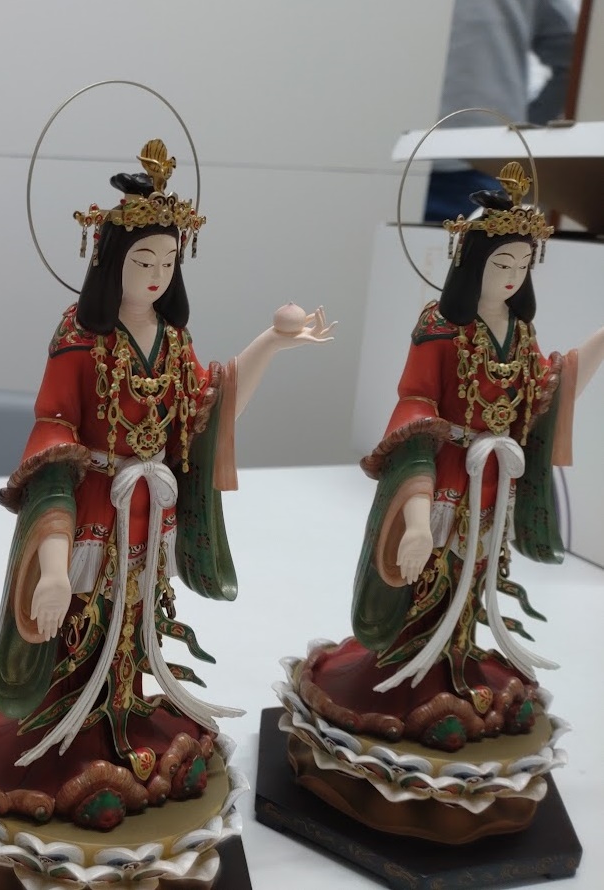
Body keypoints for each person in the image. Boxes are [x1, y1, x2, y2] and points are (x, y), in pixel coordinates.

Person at [0, 140, 333, 830]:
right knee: (78, 620)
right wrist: (53, 561)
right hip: (95, 510)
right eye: (141, 260)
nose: (155, 275)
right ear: (109, 260)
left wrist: (270, 345)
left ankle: (120, 709)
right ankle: (68, 721)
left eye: (167, 262)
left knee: (136, 618)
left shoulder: (174, 342)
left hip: (152, 512)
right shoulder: (80, 338)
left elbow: (209, 413)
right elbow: (52, 443)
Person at [300, 165, 604, 753]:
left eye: (523, 266)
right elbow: (414, 414)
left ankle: (456, 658)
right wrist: (415, 518)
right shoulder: (440, 329)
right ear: (472, 263)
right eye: (501, 264)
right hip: (443, 481)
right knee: (428, 576)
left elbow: (549, 392)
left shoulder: (520, 334)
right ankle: (411, 663)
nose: (512, 277)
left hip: (494, 482)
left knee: (475, 576)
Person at [425, 0, 578, 222]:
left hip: (476, 165)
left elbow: (577, 54)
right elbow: (576, 53)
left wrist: (523, 129)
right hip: (481, 156)